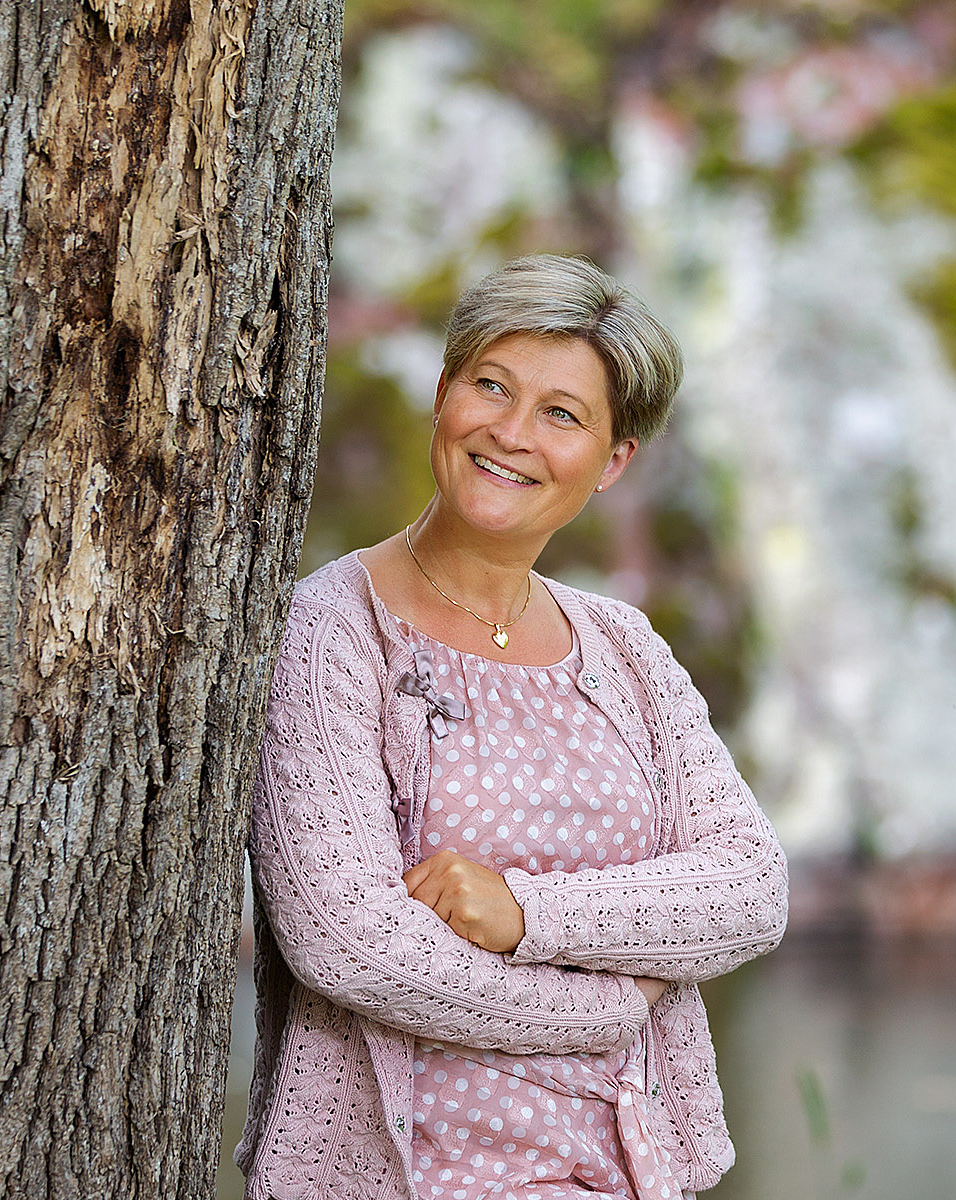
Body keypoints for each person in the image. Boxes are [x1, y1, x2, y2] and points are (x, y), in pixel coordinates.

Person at [235, 255, 789, 1200]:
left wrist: (528, 914)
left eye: (562, 414)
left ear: (613, 461)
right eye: (490, 386)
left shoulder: (623, 646)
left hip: (630, 1177)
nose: (510, 432)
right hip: (406, 1178)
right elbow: (349, 943)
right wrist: (611, 1003)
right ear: (443, 396)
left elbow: (750, 884)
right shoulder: (332, 630)